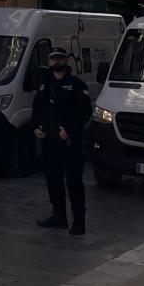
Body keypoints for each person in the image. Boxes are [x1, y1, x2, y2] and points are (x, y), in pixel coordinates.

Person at [32, 47, 92, 236]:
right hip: (49, 142)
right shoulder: (44, 85)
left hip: (69, 142)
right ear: (49, 62)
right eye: (53, 58)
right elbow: (37, 110)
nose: (57, 62)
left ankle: (79, 221)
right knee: (53, 180)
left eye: (60, 58)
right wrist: (36, 128)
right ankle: (59, 216)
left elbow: (85, 112)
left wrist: (70, 131)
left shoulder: (77, 85)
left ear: (66, 61)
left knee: (74, 181)